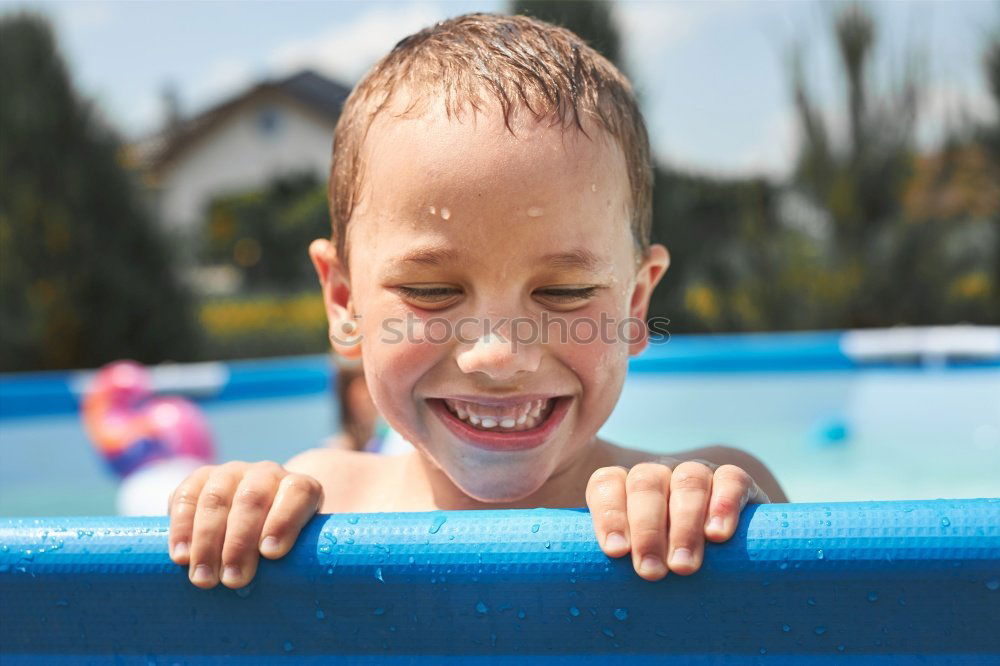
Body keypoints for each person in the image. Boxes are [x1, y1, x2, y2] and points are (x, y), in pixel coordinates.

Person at [167, 13, 788, 592]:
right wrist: (230, 510)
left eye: (564, 293)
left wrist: (720, 525)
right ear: (343, 299)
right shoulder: (320, 503)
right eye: (430, 292)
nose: (498, 355)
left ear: (634, 304)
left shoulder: (702, 498)